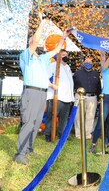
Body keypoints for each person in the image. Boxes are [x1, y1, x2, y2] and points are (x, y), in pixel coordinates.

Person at [14, 13, 71, 165]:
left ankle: (29, 149)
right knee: (28, 122)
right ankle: (20, 153)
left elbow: (57, 49)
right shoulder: (25, 56)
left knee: (37, 121)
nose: (37, 42)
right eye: (34, 41)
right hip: (31, 92)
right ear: (30, 43)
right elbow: (35, 40)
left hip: (42, 94)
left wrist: (63, 37)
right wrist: (42, 23)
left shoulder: (43, 59)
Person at [45, 49, 74, 142]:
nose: (65, 56)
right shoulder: (53, 66)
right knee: (52, 116)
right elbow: (45, 78)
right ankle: (48, 135)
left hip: (67, 97)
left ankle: (61, 135)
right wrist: (51, 85)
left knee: (64, 119)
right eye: (63, 55)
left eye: (66, 54)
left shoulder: (68, 67)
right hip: (56, 96)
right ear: (58, 56)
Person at [73, 58, 101, 139]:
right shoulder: (77, 73)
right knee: (78, 116)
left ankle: (87, 134)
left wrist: (99, 97)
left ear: (92, 64)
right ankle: (78, 134)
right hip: (80, 97)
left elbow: (98, 86)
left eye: (90, 62)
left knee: (90, 116)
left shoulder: (96, 74)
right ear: (83, 63)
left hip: (92, 97)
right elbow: (73, 85)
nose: (88, 63)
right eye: (86, 62)